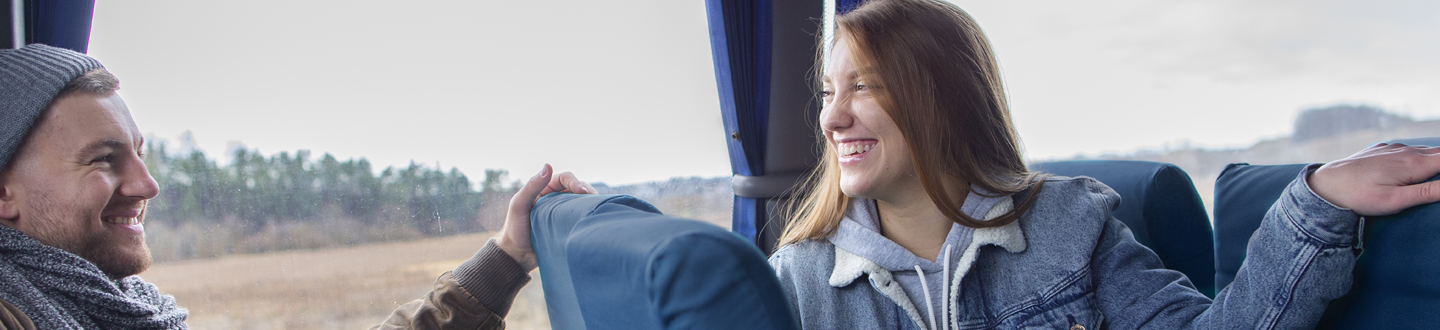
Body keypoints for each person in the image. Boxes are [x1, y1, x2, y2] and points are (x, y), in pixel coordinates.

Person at [766, 0, 1440, 329]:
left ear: (943, 101)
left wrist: (1316, 202)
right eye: (830, 93)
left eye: (867, 87)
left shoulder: (1068, 225)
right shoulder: (797, 281)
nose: (833, 118)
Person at [0, 44, 592, 330]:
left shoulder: (120, 312)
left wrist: (508, 256)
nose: (147, 185)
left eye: (141, 154)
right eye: (103, 160)